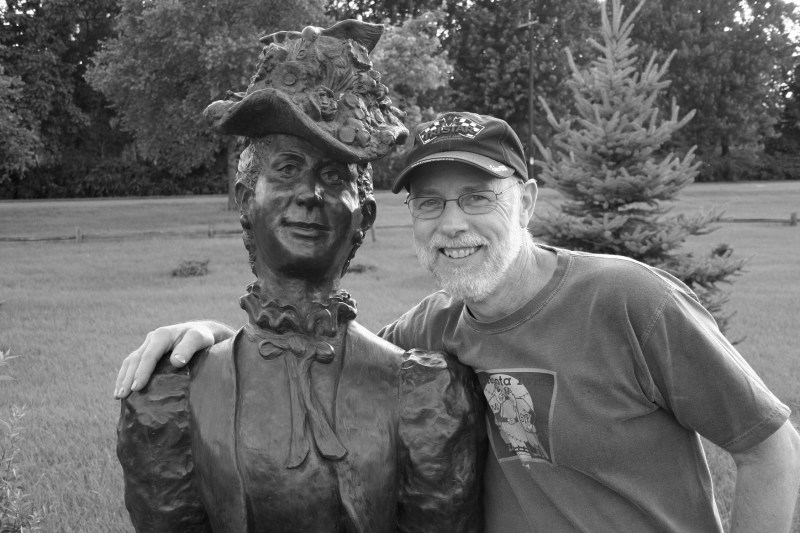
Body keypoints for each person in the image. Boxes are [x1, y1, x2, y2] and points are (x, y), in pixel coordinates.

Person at [116, 111, 800, 532]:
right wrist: (209, 339)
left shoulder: (627, 300)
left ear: (526, 200)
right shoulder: (432, 330)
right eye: (430, 204)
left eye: (477, 197)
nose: (453, 226)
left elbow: (769, 445)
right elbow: (315, 356)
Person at [115, 21, 485, 533]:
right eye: (287, 168)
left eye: (334, 176)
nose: (310, 193)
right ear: (247, 199)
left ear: (365, 216)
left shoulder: (424, 390)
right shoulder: (173, 394)